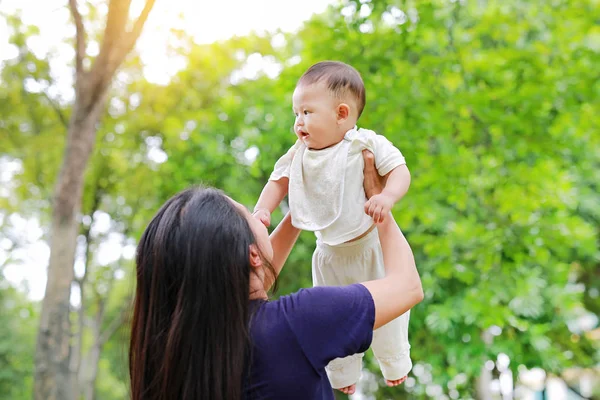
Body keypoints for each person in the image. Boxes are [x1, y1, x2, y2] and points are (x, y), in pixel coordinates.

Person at [129, 151, 423, 400]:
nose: (260, 216)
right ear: (252, 255)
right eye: (249, 214)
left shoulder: (171, 357)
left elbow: (247, 286)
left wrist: (304, 206)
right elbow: (408, 287)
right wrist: (377, 200)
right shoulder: (299, 322)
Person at [253, 61, 413, 392]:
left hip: (368, 247)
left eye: (307, 112)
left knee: (389, 317)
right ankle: (343, 375)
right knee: (331, 322)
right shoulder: (299, 152)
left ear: (341, 114)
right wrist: (262, 210)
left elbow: (399, 170)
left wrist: (387, 199)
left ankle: (394, 360)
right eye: (296, 113)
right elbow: (277, 182)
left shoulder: (362, 144)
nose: (298, 122)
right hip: (327, 253)